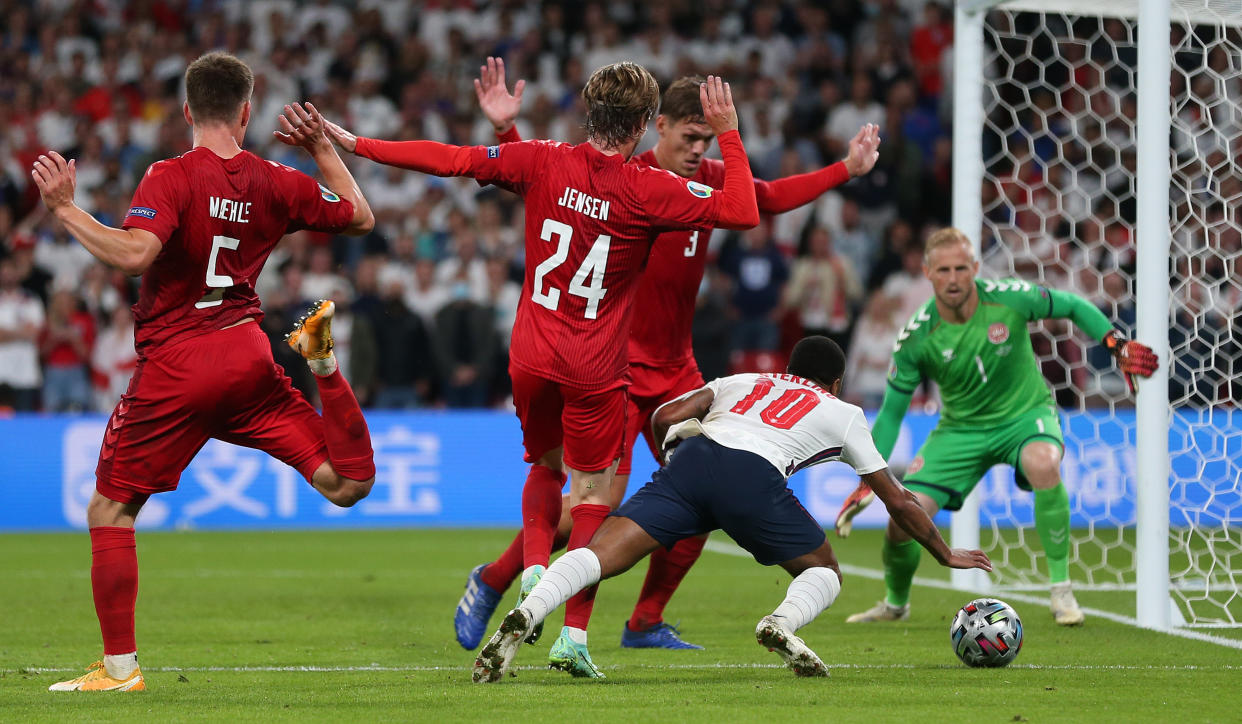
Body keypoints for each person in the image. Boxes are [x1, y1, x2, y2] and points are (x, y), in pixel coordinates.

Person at [326, 64, 760, 677]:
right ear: (641, 124)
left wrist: (357, 143)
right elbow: (743, 210)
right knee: (594, 497)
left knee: (544, 467)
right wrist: (730, 131)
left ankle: (533, 565)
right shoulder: (649, 188)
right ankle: (572, 634)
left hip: (530, 352)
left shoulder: (542, 160)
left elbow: (448, 158)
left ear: (589, 114)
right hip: (595, 364)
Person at [454, 59, 881, 660]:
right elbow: (545, 180)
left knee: (700, 504)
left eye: (705, 139)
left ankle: (645, 620)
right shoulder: (634, 180)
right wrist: (505, 135)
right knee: (590, 513)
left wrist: (846, 169)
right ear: (658, 129)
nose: (697, 149)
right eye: (688, 137)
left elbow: (767, 198)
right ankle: (500, 580)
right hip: (614, 366)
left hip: (677, 374)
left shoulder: (708, 181)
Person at [34, 52, 378, 692]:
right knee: (345, 483)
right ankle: (324, 363)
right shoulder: (278, 178)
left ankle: (119, 672)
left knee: (110, 512)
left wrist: (64, 210)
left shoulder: (171, 176)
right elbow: (360, 216)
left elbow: (135, 255)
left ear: (187, 110)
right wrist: (322, 147)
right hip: (249, 356)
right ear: (247, 112)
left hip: (181, 365)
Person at [472, 336, 992, 683]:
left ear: (788, 371)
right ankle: (782, 624)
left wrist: (673, 455)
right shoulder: (843, 411)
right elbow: (896, 499)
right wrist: (944, 553)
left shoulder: (745, 381)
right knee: (825, 571)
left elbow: (666, 414)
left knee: (604, 552)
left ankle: (529, 610)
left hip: (694, 463)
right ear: (835, 383)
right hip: (753, 478)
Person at [835, 227, 1157, 626]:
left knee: (1043, 462)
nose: (953, 278)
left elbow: (1072, 305)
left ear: (974, 268)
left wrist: (1115, 344)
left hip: (1024, 417)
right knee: (904, 519)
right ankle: (895, 604)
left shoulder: (1009, 298)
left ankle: (1061, 590)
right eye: (944, 270)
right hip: (959, 431)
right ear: (928, 272)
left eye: (960, 268)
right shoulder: (916, 337)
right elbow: (891, 415)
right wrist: (870, 478)